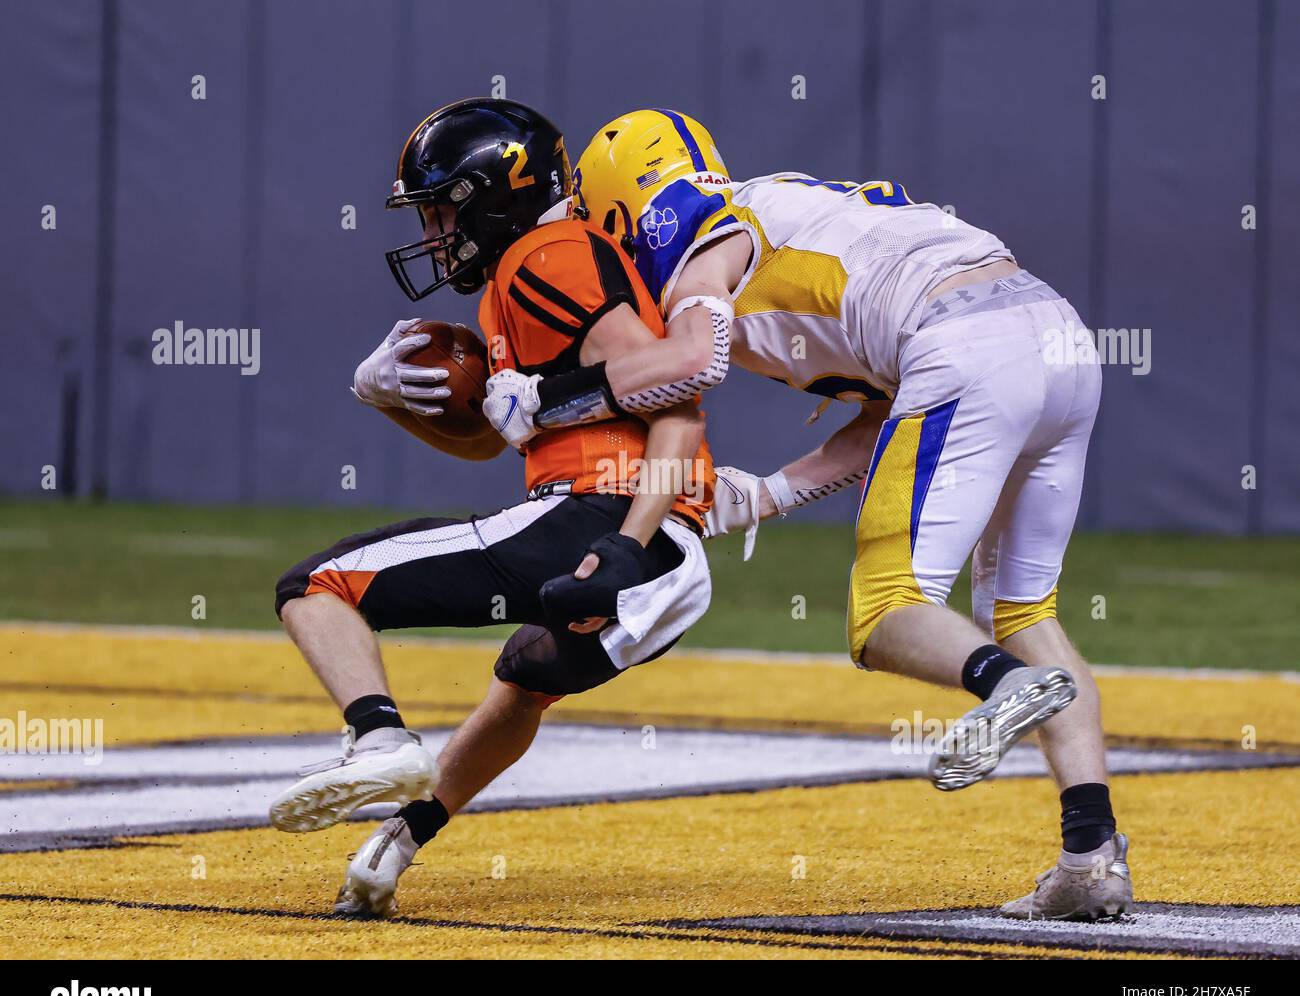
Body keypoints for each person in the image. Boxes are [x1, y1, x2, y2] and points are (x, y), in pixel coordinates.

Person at [481, 109, 1129, 920]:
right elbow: (889, 410)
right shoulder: (791, 211)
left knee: (885, 613)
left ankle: (1005, 682)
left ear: (621, 208)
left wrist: (546, 401)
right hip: (1053, 337)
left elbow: (696, 360)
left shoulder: (696, 234)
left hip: (961, 342)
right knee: (1021, 606)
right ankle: (1091, 855)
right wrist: (769, 493)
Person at [270, 99, 714, 917]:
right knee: (527, 678)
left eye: (442, 209)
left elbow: (672, 387)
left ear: (494, 193)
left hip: (610, 515)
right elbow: (490, 442)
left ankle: (378, 738)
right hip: (664, 553)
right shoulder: (530, 273)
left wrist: (623, 531)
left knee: (316, 587)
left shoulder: (549, 253)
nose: (436, 234)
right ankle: (393, 848)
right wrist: (390, 400)